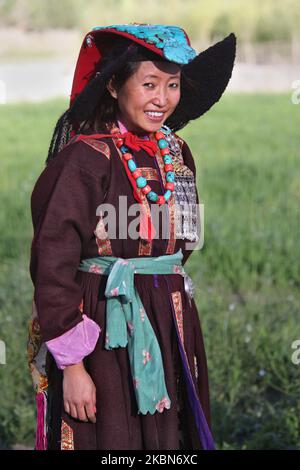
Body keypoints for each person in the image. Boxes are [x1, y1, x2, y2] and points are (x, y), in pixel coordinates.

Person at [27, 24, 236, 450]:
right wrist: (73, 368)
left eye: (173, 84)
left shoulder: (177, 155)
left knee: (169, 441)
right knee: (107, 437)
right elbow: (52, 263)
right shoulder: (85, 160)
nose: (163, 98)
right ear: (114, 88)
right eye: (149, 84)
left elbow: (182, 242)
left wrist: (158, 283)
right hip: (103, 327)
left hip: (170, 320)